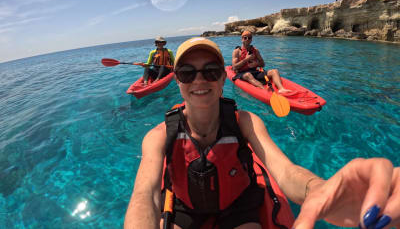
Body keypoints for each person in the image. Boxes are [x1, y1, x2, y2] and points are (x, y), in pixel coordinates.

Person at [124, 37, 399, 229]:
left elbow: (285, 170)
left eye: (210, 71)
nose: (199, 80)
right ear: (178, 82)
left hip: (238, 205)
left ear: (222, 79)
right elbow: (145, 195)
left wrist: (320, 188)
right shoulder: (160, 134)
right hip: (186, 207)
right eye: (186, 73)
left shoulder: (245, 121)